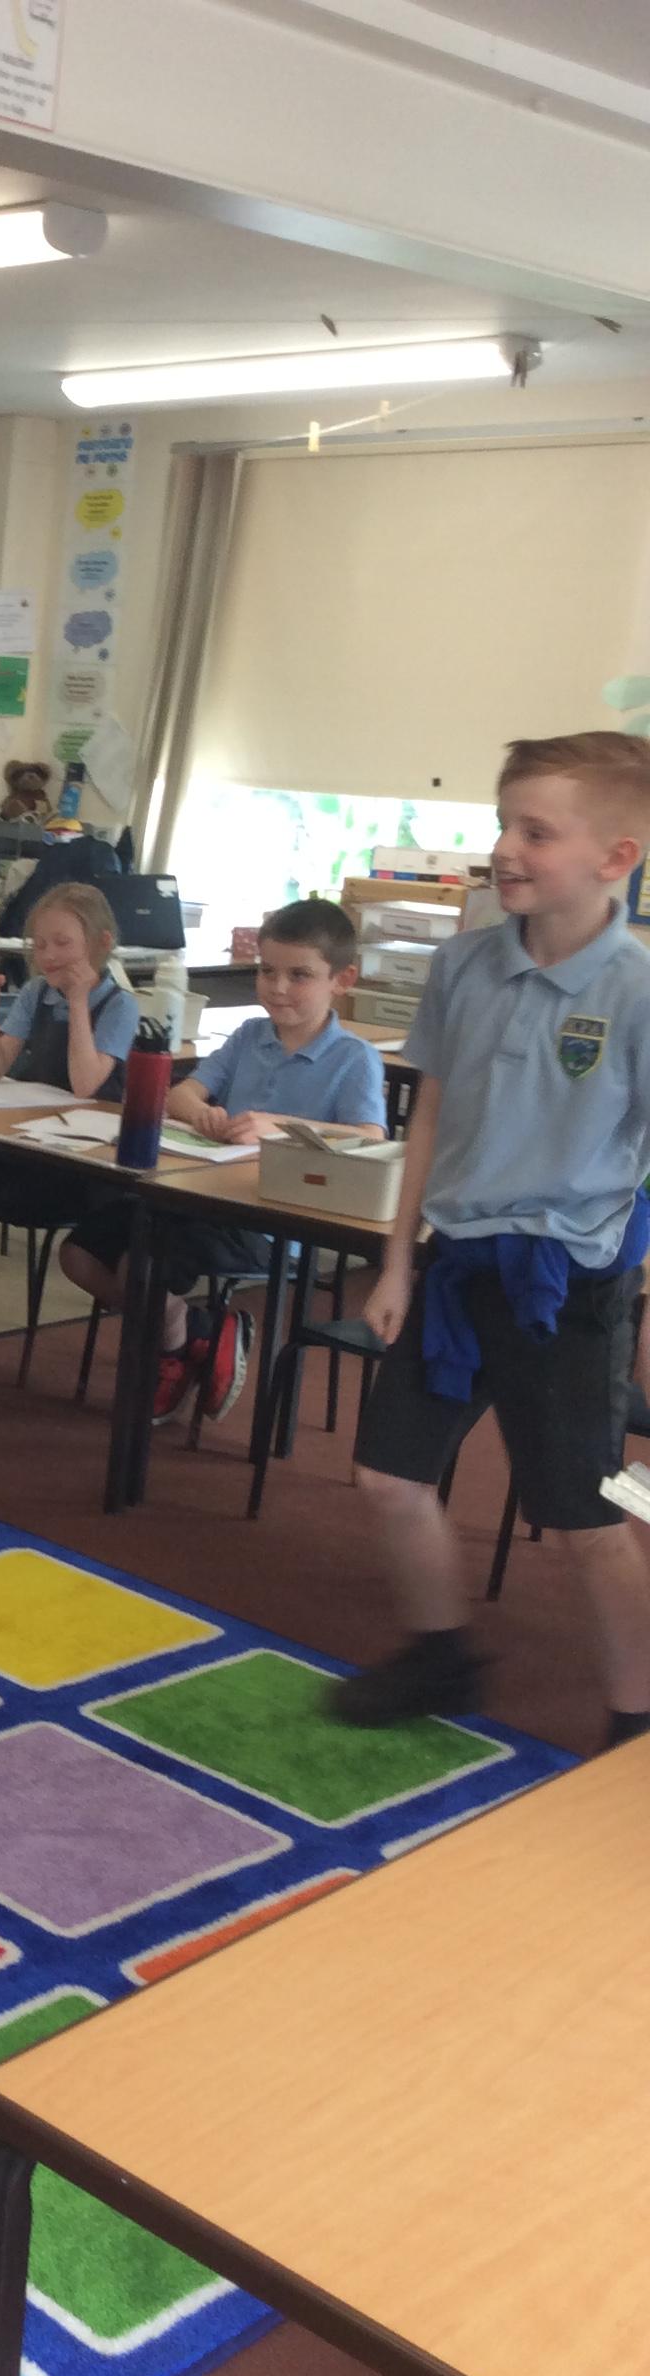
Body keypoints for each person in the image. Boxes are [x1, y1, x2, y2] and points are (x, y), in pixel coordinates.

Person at [329, 733, 650, 1741]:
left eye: (536, 832)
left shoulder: (636, 989)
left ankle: (636, 1717)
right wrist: (396, 1261)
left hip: (567, 1285)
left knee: (583, 1519)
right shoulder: (465, 963)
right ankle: (442, 1659)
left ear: (616, 857)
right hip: (454, 1265)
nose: (506, 847)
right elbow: (428, 1115)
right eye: (503, 823)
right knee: (389, 1476)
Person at [60, 898, 386, 1426]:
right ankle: (195, 1331)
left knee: (143, 1261)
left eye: (299, 975)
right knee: (80, 1252)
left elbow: (371, 1137)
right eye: (267, 971)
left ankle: (174, 1347)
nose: (277, 987)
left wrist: (279, 1126)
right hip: (205, 1193)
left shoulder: (354, 1058)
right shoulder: (249, 1036)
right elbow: (181, 1094)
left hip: (277, 1219)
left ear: (342, 980)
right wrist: (203, 1113)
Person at [0, 883, 140, 1252]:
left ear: (101, 943)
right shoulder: (36, 991)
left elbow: (85, 1085)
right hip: (35, 1135)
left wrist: (78, 1002)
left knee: (12, 1193)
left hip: (86, 1153)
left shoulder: (119, 1005)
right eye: (40, 944)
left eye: (62, 943)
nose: (48, 956)